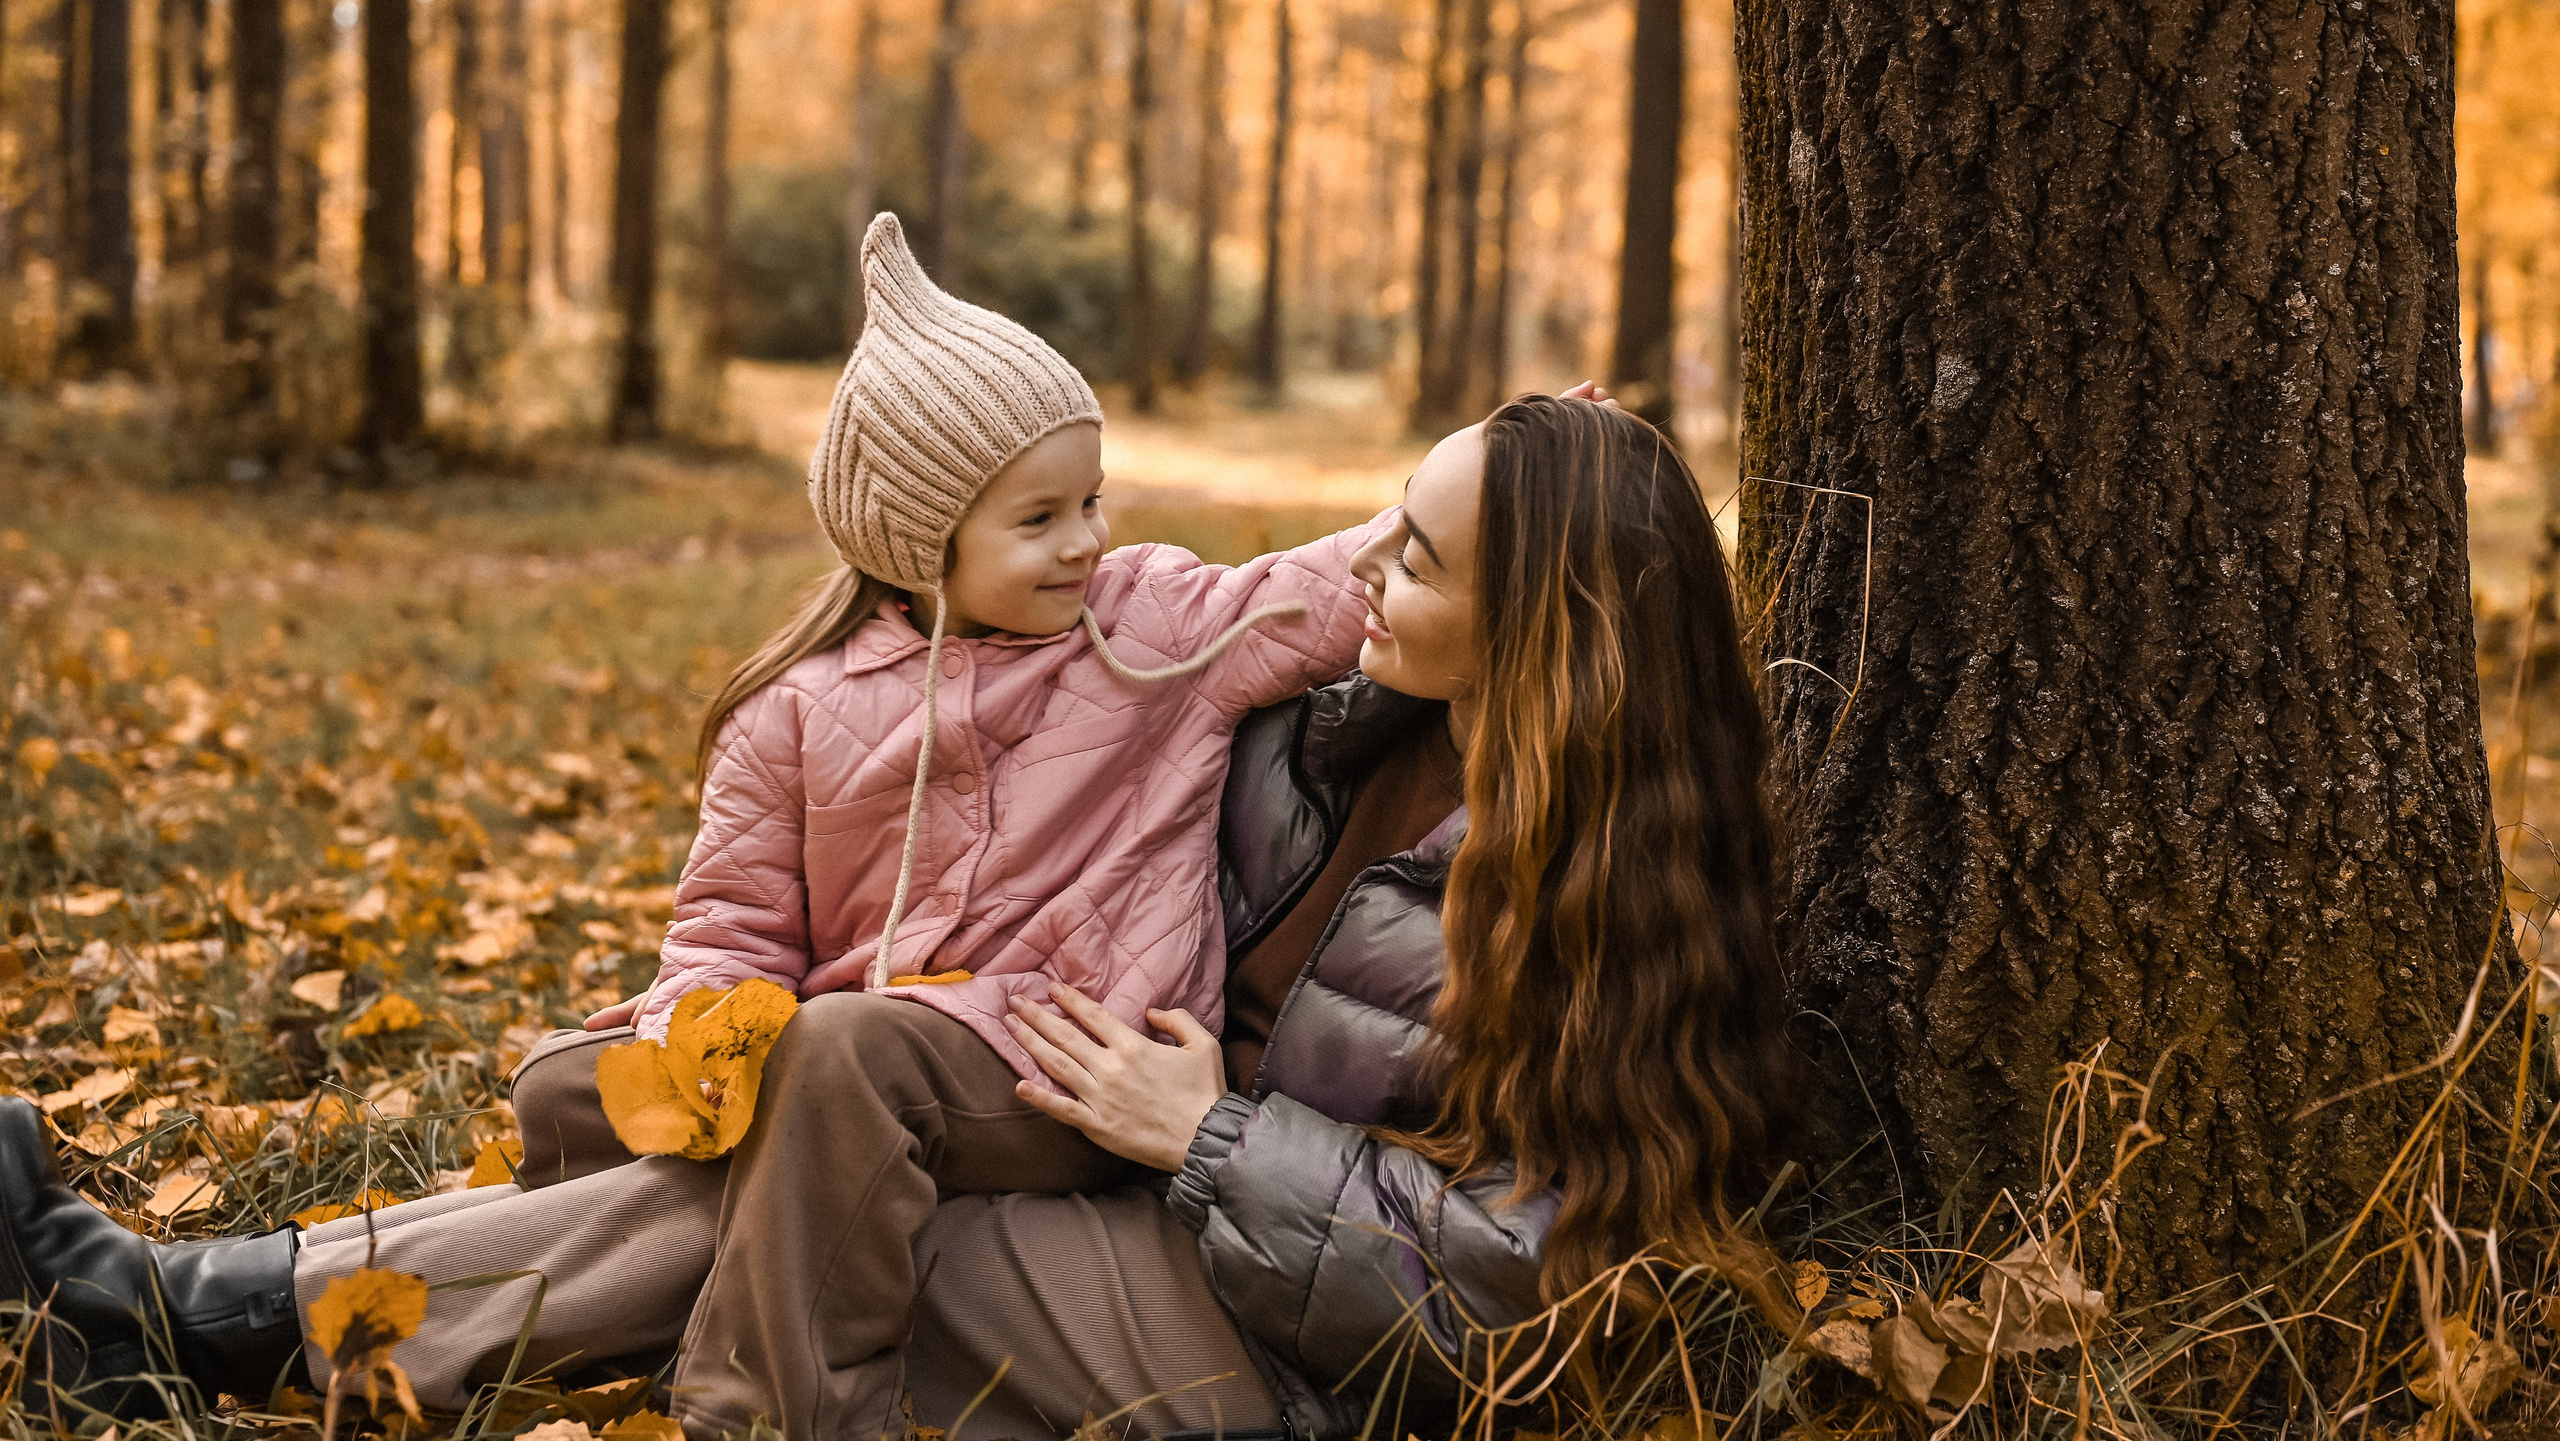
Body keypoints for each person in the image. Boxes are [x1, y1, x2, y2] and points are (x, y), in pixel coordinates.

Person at [0, 393, 1798, 1441]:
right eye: (1386, 528)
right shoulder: (1324, 720)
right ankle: (186, 1315)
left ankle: (198, 1314)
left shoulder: (1613, 894)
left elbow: (1535, 1285)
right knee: (804, 1165)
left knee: (819, 1222)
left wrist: (1220, 1137)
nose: (1364, 563)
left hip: (1278, 1337)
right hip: (1106, 1174)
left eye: (1414, 555)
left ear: (1546, 627)